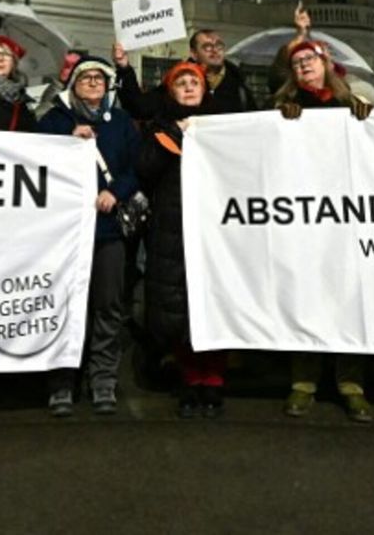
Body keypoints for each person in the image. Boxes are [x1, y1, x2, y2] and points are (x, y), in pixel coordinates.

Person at [273, 38, 374, 421]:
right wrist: (281, 117)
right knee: (307, 298)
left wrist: (369, 119)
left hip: (346, 217)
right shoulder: (284, 106)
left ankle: (351, 384)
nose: (302, 67)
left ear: (325, 62)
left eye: (308, 60)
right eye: (296, 63)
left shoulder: (351, 102)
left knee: (349, 299)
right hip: (304, 219)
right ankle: (303, 382)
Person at [38, 55, 141, 417]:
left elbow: (135, 167)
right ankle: (63, 381)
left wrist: (117, 192)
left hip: (108, 232)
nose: (94, 83)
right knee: (66, 307)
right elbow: (32, 154)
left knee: (107, 306)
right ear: (74, 85)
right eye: (86, 78)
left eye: (100, 78)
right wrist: (66, 138)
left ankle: (103, 380)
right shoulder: (55, 120)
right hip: (65, 233)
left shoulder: (121, 121)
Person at [137, 62, 224, 418]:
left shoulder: (224, 127)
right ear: (171, 92)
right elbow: (145, 171)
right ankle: (190, 380)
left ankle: (214, 382)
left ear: (205, 90)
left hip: (217, 228)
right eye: (181, 83)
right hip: (173, 227)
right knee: (178, 305)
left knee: (215, 305)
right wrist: (175, 137)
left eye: (194, 82)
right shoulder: (159, 127)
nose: (189, 87)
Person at [113, 28, 258, 122]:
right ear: (194, 54)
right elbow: (140, 107)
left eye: (219, 45)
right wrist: (124, 69)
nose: (214, 50)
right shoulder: (179, 80)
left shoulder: (239, 87)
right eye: (207, 47)